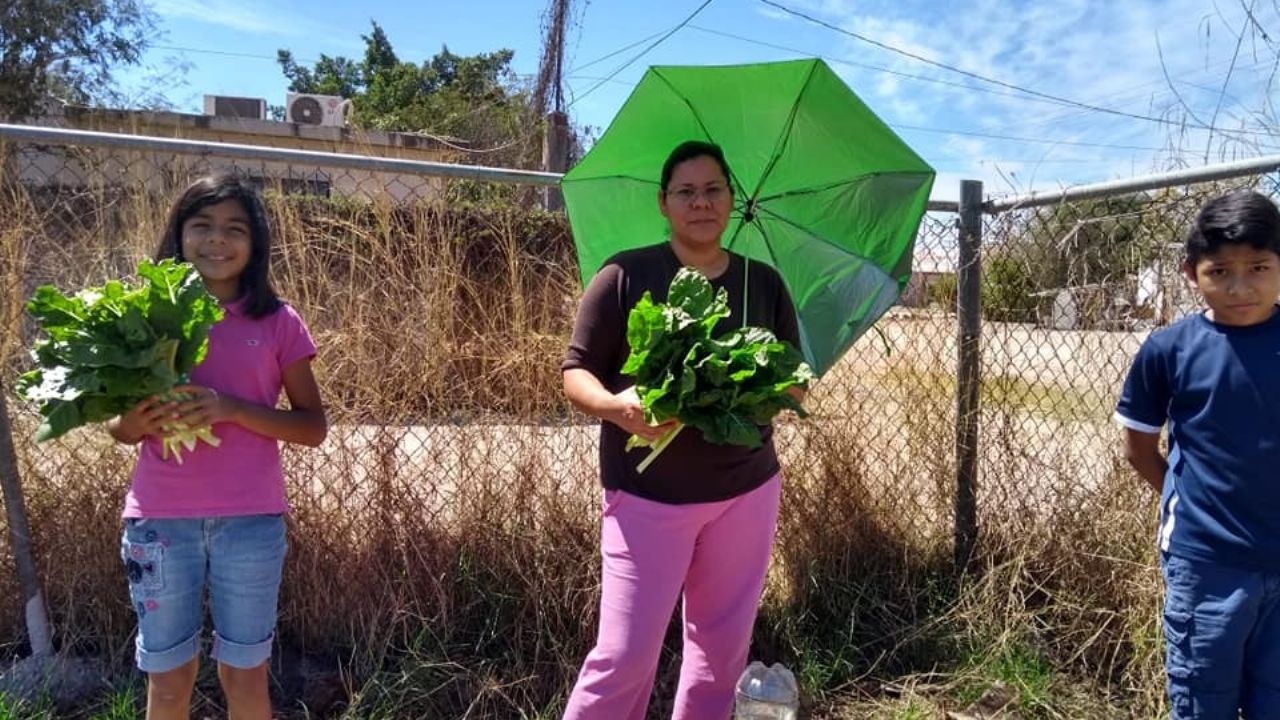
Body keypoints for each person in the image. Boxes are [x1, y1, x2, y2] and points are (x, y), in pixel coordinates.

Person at [561, 140, 803, 720]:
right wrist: (618, 407)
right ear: (663, 203)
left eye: (713, 189)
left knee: (721, 656)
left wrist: (752, 389)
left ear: (731, 199)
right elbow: (575, 373)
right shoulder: (624, 274)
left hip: (745, 493)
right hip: (646, 498)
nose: (701, 202)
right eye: (686, 192)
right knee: (623, 657)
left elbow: (796, 382)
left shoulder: (761, 284)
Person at [108, 174, 327, 720]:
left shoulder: (278, 322)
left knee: (245, 673)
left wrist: (230, 409)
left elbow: (312, 426)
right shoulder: (144, 317)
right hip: (159, 524)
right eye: (201, 225)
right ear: (178, 235)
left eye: (234, 228)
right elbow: (118, 429)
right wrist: (137, 417)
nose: (217, 240)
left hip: (251, 524)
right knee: (169, 679)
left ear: (255, 243)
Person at [1115, 189, 1280, 719]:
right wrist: (1194, 504)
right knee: (1200, 698)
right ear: (1191, 273)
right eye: (1219, 271)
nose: (1240, 287)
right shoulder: (1169, 350)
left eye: (1258, 266)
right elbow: (1140, 448)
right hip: (1205, 565)